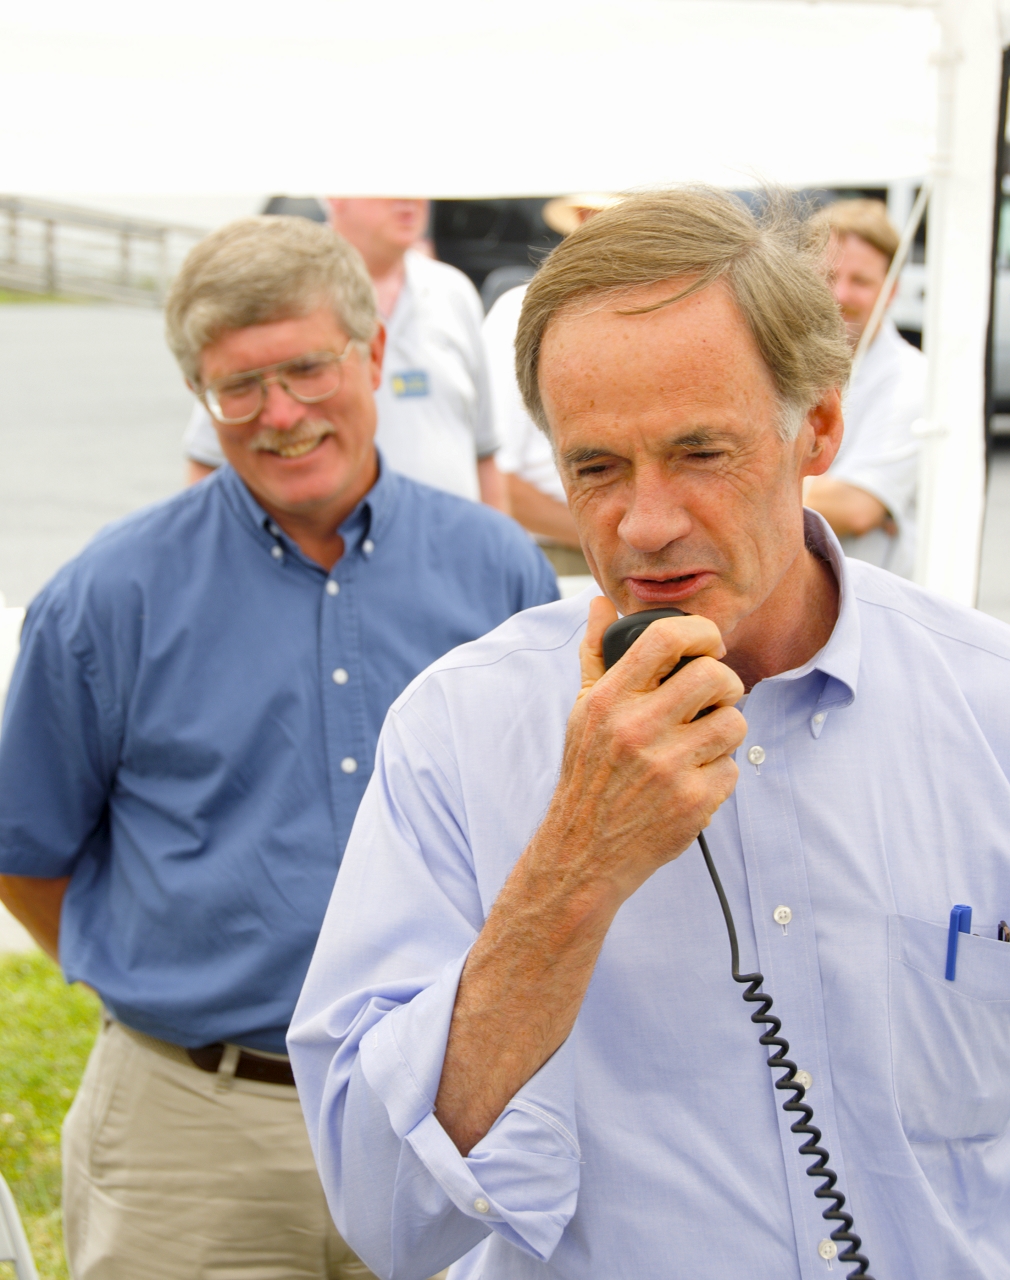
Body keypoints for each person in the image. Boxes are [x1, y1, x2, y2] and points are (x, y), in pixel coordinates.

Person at [289, 189, 1010, 1280]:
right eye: (596, 468)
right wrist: (575, 864)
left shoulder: (985, 705)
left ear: (820, 426)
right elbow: (386, 1210)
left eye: (700, 451)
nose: (646, 523)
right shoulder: (458, 731)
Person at [0, 215, 557, 1280]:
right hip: (190, 1141)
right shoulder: (106, 599)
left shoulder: (498, 572)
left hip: (451, 1115)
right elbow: (25, 854)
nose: (282, 413)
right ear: (199, 396)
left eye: (307, 368)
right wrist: (162, 982)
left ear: (374, 354)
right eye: (239, 386)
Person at [185, 198, 506, 509]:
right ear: (335, 194)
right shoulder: (272, 291)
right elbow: (208, 460)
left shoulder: (453, 292)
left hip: (453, 540)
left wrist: (496, 536)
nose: (409, 198)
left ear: (375, 350)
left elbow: (485, 452)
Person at [484, 196, 620, 576]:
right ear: (580, 220)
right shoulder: (518, 312)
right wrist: (611, 541)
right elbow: (498, 479)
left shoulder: (663, 316)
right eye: (596, 217)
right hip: (562, 555)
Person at [803, 198, 925, 577]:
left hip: (864, 598)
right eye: (828, 277)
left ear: (891, 290)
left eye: (861, 281)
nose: (840, 295)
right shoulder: (781, 363)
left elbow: (855, 508)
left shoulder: (910, 378)